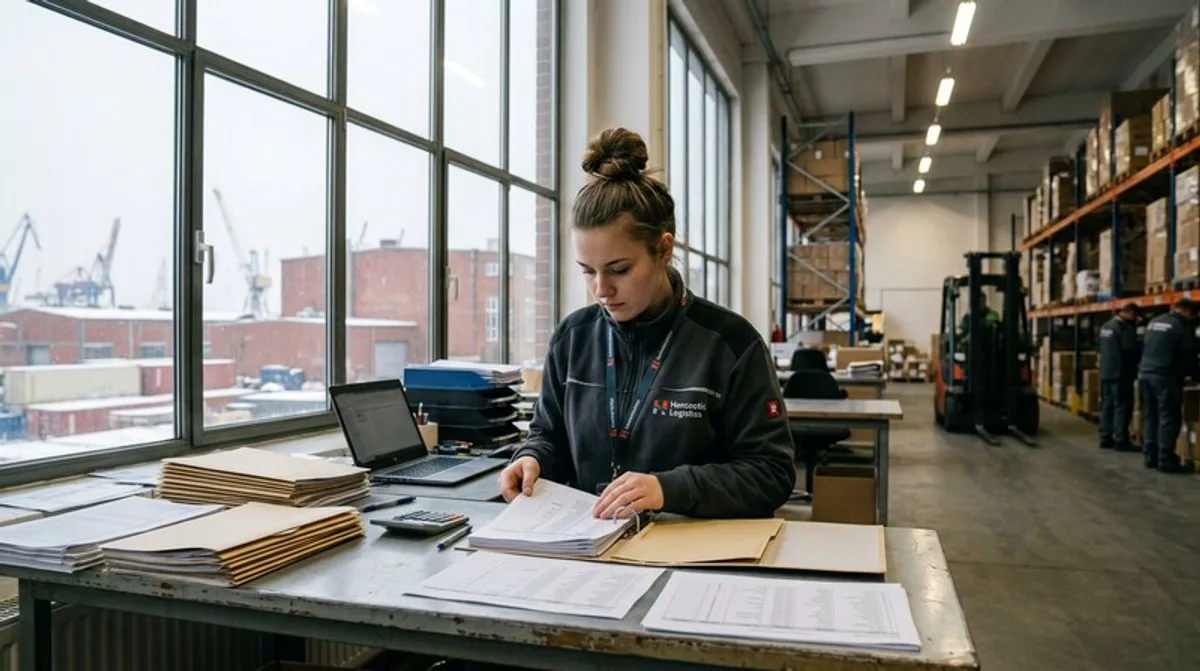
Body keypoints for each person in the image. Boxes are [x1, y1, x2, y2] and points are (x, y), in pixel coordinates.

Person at [498, 127, 797, 520]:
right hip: (588, 547)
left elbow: (771, 473)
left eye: (619, 269)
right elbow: (548, 435)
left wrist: (667, 489)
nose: (601, 290)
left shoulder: (730, 344)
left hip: (691, 553)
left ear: (664, 249)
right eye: (587, 271)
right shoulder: (573, 339)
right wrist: (531, 457)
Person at [1137, 299, 1200, 473]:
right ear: (1187, 311)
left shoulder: (1154, 321)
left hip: (1145, 374)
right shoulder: (1182, 327)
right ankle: (1166, 459)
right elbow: (1189, 357)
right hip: (1165, 377)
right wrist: (1196, 376)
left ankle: (1151, 456)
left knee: (1151, 415)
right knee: (1169, 417)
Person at [1098, 303, 1141, 452]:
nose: (1135, 319)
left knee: (1107, 405)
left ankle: (1105, 436)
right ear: (1129, 313)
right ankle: (1121, 439)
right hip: (1120, 372)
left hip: (1106, 372)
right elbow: (1129, 350)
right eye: (1135, 315)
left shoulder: (1106, 326)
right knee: (1122, 406)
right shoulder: (1124, 328)